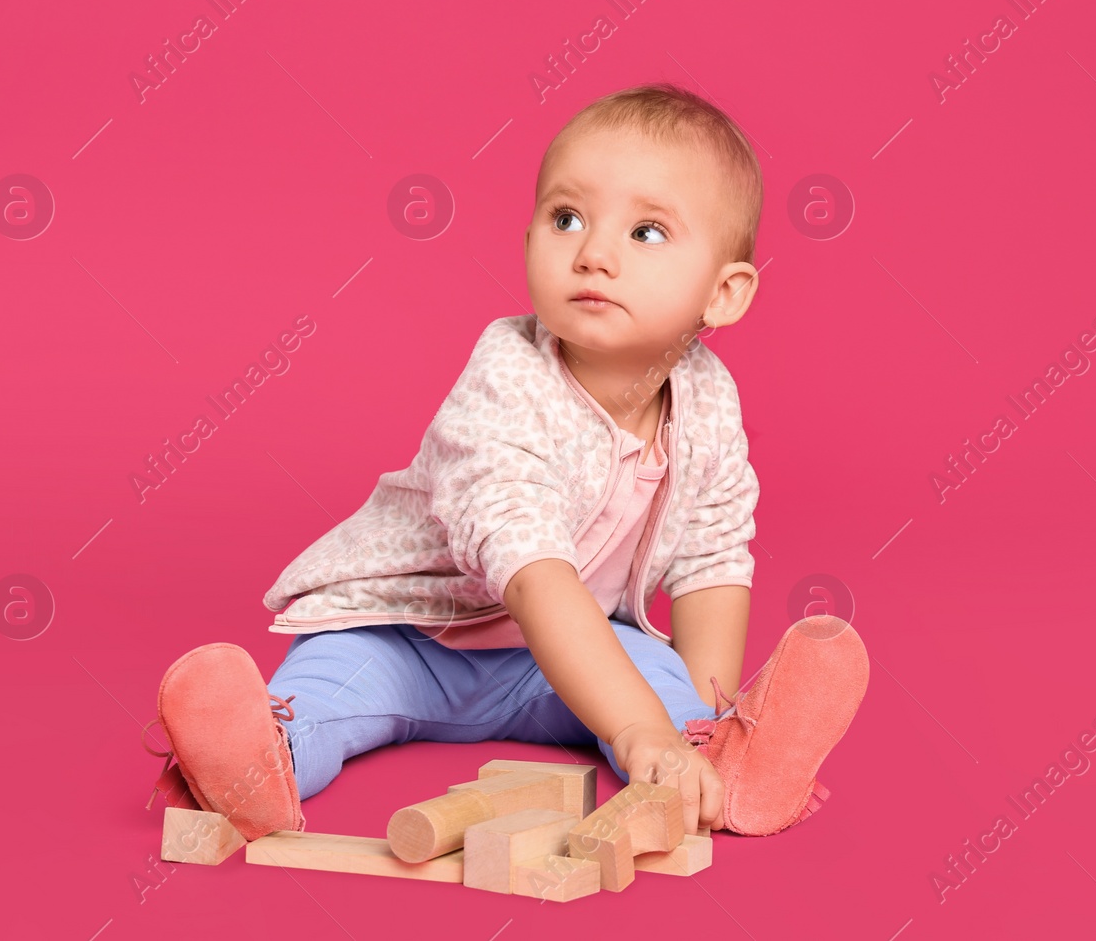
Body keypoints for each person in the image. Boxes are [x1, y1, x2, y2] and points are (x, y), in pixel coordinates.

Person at [146, 83, 867, 844]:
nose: (593, 252)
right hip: (413, 640)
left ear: (724, 293)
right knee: (326, 687)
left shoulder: (709, 400)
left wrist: (686, 718)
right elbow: (529, 568)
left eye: (646, 232)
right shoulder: (508, 377)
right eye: (567, 218)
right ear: (528, 243)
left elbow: (713, 558)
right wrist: (634, 731)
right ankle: (256, 764)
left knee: (658, 691)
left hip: (564, 662)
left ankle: (727, 758)